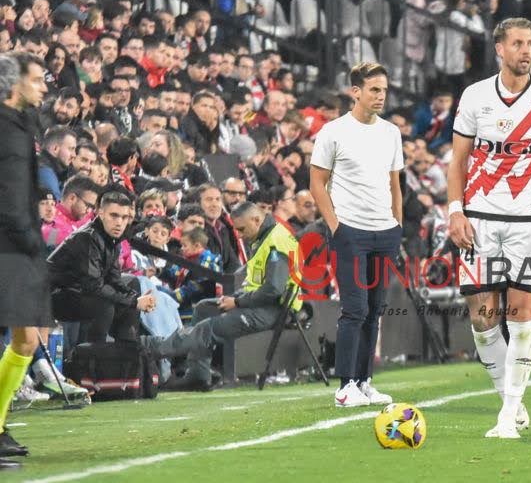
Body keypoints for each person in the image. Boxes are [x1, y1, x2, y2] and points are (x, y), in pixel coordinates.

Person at [447, 17, 531, 439]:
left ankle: (507, 415)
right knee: (482, 317)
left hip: (527, 221)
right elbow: (458, 162)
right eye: (519, 43)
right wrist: (455, 211)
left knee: (521, 313)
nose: (527, 51)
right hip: (479, 219)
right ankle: (513, 400)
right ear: (500, 50)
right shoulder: (474, 97)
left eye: (530, 43)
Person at [310, 62, 403, 409]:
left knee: (376, 309)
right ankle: (345, 385)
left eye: (384, 90)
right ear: (356, 92)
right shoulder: (333, 132)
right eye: (374, 89)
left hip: (385, 233)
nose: (381, 96)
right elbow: (317, 183)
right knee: (354, 309)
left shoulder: (391, 133)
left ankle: (364, 382)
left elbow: (395, 184)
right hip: (351, 232)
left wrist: (398, 225)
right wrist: (336, 226)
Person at [141, 202, 301, 391]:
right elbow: (260, 284)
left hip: (274, 310)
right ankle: (198, 376)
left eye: (241, 229)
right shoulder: (268, 236)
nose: (239, 235)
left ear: (256, 220)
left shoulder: (276, 241)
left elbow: (273, 289)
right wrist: (235, 298)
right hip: (259, 302)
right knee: (203, 308)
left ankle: (151, 348)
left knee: (208, 328)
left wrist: (238, 301)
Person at [0, 52, 52, 469]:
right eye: (36, 80)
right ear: (14, 85)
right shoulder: (6, 129)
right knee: (22, 338)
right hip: (9, 245)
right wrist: (28, 235)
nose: (44, 86)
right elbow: (9, 193)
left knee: (25, 340)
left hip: (17, 244)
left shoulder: (21, 125)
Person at [48, 190, 157, 343]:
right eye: (114, 215)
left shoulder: (112, 238)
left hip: (77, 291)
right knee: (104, 303)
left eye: (124, 217)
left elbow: (114, 280)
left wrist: (135, 298)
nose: (119, 222)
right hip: (53, 295)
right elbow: (94, 286)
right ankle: (93, 356)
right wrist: (134, 302)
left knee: (132, 281)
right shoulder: (86, 237)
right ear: (101, 213)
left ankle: (126, 351)